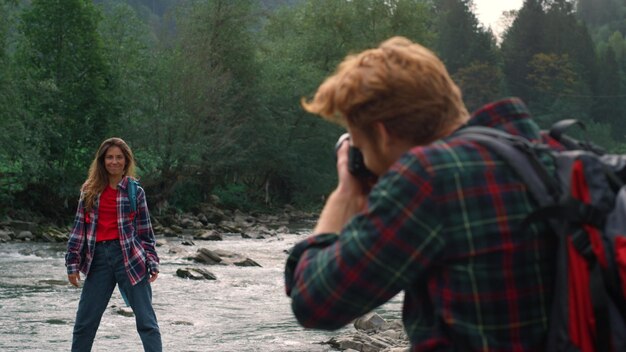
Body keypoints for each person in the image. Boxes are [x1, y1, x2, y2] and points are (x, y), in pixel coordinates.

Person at [284, 36, 556, 351]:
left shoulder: (431, 179)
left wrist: (343, 198)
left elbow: (314, 303)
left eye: (360, 148)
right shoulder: (544, 154)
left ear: (383, 133)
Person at [65, 137, 162, 352]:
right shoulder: (89, 191)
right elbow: (78, 230)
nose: (114, 162)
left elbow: (146, 232)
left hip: (130, 258)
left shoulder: (135, 192)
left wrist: (152, 262)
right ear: (102, 161)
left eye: (119, 157)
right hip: (97, 260)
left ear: (126, 161)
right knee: (84, 324)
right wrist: (72, 263)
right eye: (109, 157)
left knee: (147, 322)